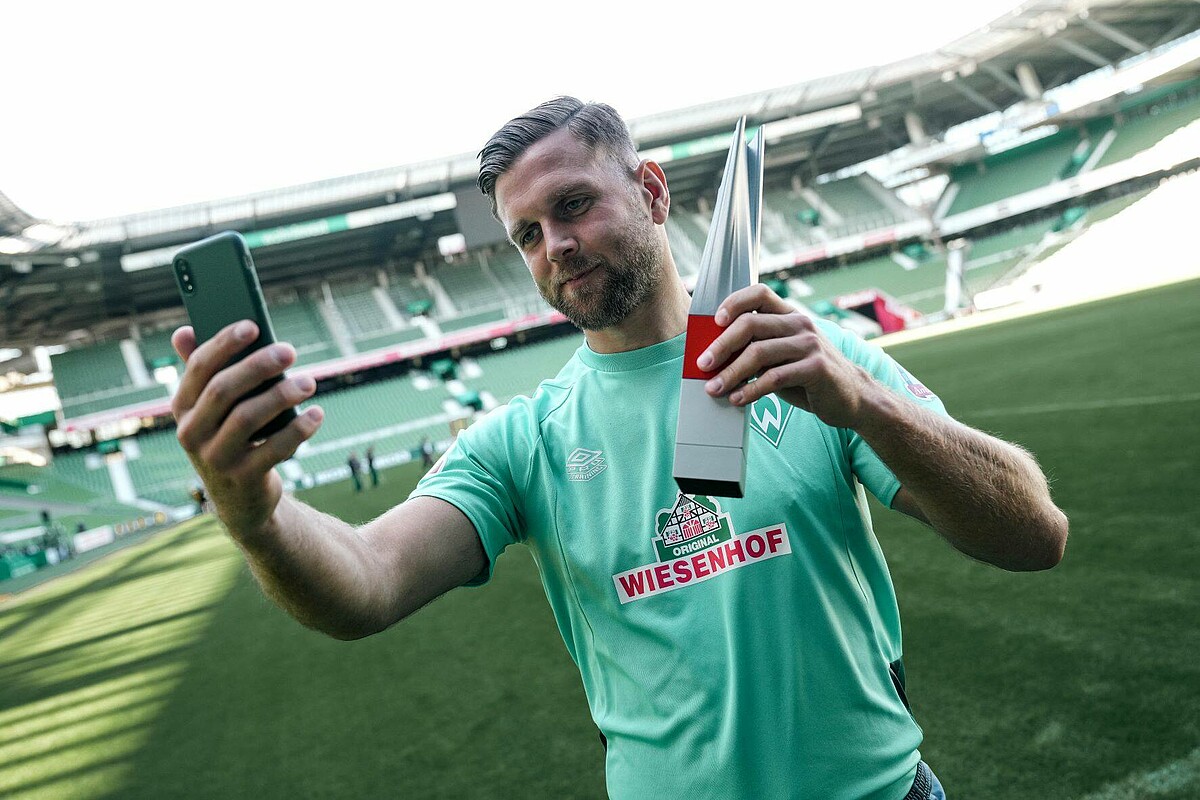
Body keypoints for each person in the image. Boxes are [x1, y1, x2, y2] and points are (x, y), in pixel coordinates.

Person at [169, 97, 1068, 799]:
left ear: (650, 190)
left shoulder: (812, 356)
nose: (555, 246)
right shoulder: (522, 442)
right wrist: (259, 517)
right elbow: (366, 583)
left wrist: (866, 404)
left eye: (573, 205)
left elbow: (1036, 535)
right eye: (527, 233)